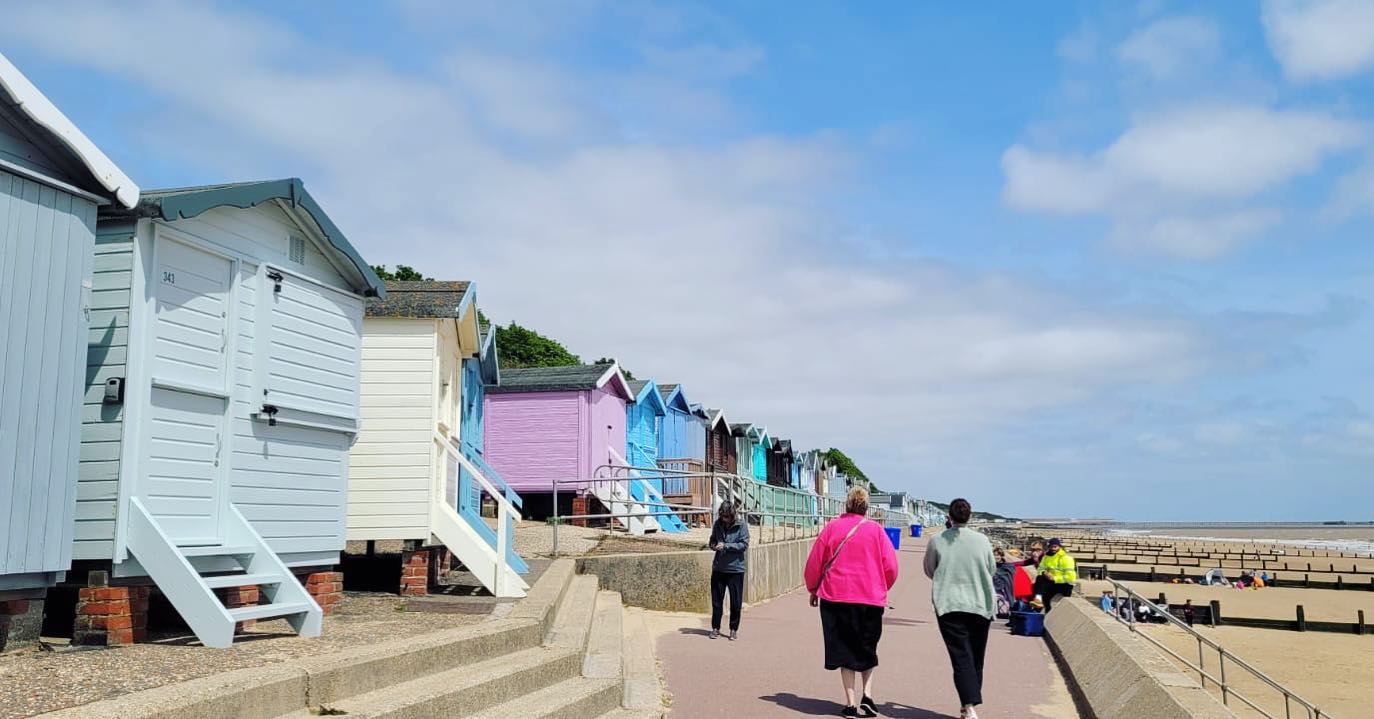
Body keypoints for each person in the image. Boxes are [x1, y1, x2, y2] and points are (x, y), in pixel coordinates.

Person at [804, 486, 899, 718]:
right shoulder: (876, 530)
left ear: (846, 505)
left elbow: (814, 563)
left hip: (836, 596)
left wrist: (813, 588)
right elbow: (892, 567)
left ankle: (851, 702)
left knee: (844, 649)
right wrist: (880, 586)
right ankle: (868, 694)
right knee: (867, 647)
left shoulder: (832, 528)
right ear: (866, 507)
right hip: (870, 598)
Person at [924, 498, 997, 719]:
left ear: (950, 517)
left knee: (961, 656)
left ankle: (969, 705)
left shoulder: (937, 541)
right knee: (976, 656)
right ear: (969, 516)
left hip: (949, 603)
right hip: (980, 603)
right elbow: (991, 568)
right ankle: (969, 704)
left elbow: (929, 570)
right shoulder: (982, 540)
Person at [708, 501, 749, 640]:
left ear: (732, 515)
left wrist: (726, 546)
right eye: (722, 516)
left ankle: (733, 629)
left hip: (736, 569)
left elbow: (743, 544)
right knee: (716, 601)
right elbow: (712, 540)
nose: (724, 519)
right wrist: (713, 545)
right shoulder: (717, 524)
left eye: (727, 517)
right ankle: (715, 628)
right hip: (719, 568)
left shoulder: (741, 525)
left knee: (736, 602)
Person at [1033, 538, 1077, 612]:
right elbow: (1040, 569)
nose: (1053, 548)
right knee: (1039, 579)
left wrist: (1054, 578)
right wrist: (1044, 572)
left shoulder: (1066, 558)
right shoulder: (1046, 557)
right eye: (1051, 547)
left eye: (1055, 547)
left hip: (1064, 584)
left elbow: (1071, 578)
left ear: (1059, 547)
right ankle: (1038, 601)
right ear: (1049, 547)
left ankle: (1040, 608)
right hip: (1051, 583)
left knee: (1045, 592)